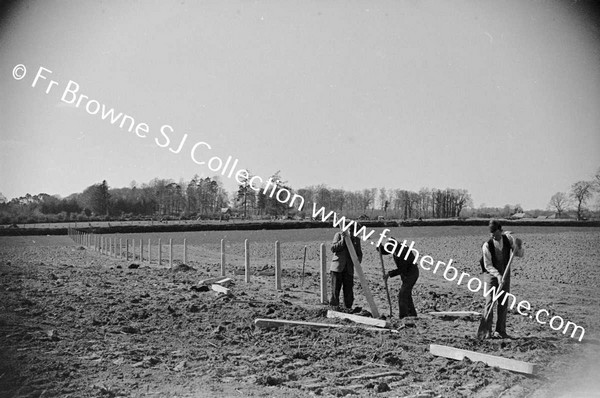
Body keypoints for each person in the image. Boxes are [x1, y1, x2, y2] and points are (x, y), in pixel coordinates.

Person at [480, 219, 524, 338]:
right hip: (491, 275)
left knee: (503, 303)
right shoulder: (487, 245)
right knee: (489, 301)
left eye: (495, 233)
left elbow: (520, 254)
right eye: (491, 234)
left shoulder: (509, 239)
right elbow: (488, 265)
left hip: (505, 274)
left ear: (500, 230)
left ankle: (500, 331)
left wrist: (518, 246)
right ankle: (486, 332)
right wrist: (498, 276)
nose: (493, 236)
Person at [379, 237, 419, 318]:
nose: (390, 250)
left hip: (412, 274)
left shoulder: (403, 251)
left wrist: (389, 274)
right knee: (407, 294)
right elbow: (384, 251)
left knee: (403, 294)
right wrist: (379, 247)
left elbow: (402, 268)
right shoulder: (394, 248)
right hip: (405, 274)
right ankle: (412, 313)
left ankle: (403, 315)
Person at [329, 227, 363, 311]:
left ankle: (347, 308)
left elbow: (359, 254)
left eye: (353, 231)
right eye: (350, 230)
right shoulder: (339, 235)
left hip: (349, 268)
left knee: (348, 290)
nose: (351, 232)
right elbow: (333, 248)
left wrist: (357, 261)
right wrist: (343, 240)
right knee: (335, 289)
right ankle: (334, 307)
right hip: (337, 267)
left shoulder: (356, 240)